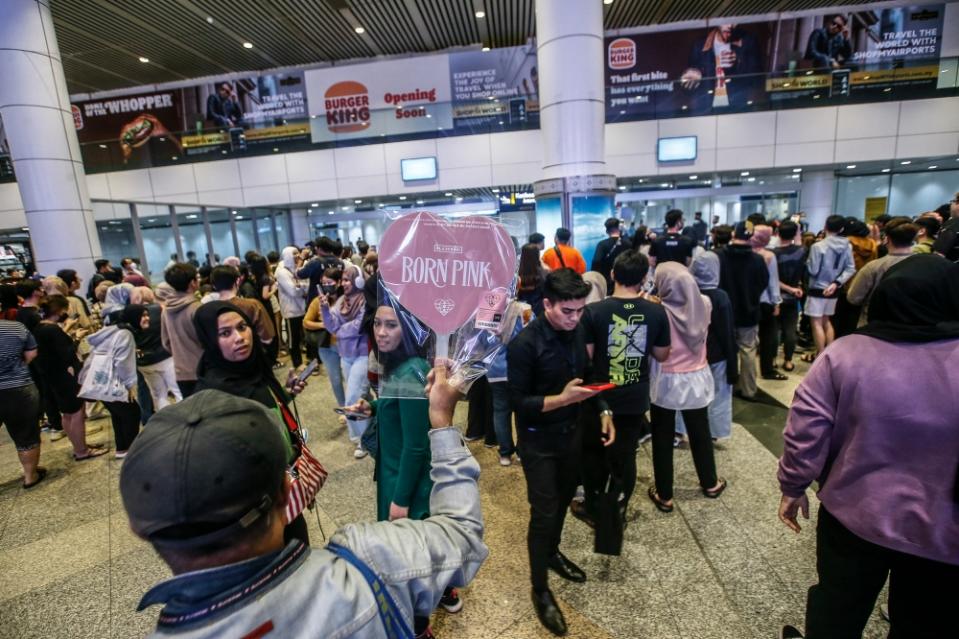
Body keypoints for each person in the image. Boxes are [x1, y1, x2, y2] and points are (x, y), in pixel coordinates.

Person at [120, 351, 487, 639]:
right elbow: (460, 534)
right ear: (286, 489)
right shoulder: (372, 564)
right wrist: (441, 423)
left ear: (138, 529)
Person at [777, 255, 959, 639]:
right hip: (943, 530)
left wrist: (793, 487)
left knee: (839, 604)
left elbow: (805, 430)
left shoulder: (846, 353)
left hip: (854, 512)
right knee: (926, 619)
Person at [347, 295, 464, 635]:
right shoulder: (402, 368)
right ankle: (440, 594)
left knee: (410, 560)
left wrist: (399, 501)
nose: (381, 332)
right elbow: (400, 412)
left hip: (404, 481)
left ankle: (419, 623)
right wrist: (375, 407)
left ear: (410, 330)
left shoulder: (411, 373)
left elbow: (416, 446)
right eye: (378, 323)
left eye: (392, 325)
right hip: (397, 473)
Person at [507, 268, 614, 636]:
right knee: (543, 512)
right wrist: (562, 399)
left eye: (581, 310)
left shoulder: (578, 328)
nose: (575, 318)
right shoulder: (525, 344)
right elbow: (519, 403)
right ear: (547, 304)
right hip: (538, 441)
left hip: (573, 434)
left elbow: (588, 373)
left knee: (566, 498)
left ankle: (552, 552)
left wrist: (602, 410)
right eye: (568, 311)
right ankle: (540, 589)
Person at [192, 301, 317, 546]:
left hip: (284, 489)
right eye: (225, 333)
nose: (240, 338)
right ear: (209, 340)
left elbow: (264, 408)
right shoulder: (213, 394)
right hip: (255, 509)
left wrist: (285, 394)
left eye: (243, 327)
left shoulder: (254, 367)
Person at [575, 250, 670, 528]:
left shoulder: (593, 311)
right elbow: (662, 355)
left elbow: (587, 357)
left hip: (599, 394)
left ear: (613, 274)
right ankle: (618, 507)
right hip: (634, 396)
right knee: (625, 455)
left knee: (593, 454)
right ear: (643, 278)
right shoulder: (656, 310)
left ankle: (593, 508)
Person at [647, 263, 726, 513]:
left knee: (662, 435)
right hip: (697, 376)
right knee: (700, 432)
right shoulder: (704, 303)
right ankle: (710, 483)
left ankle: (664, 494)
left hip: (666, 379)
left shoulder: (657, 310)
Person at [33, 295, 107, 461]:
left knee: (67, 414)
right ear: (59, 311)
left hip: (53, 376)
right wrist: (77, 338)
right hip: (65, 376)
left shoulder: (39, 328)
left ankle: (79, 446)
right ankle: (82, 450)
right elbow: (66, 354)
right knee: (76, 413)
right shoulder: (53, 330)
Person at [676, 252, 738, 441]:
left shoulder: (687, 294)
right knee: (717, 395)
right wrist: (733, 364)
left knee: (685, 395)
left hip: (690, 355)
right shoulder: (720, 297)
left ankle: (680, 429)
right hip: (717, 355)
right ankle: (713, 431)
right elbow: (727, 332)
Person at [321, 263, 370, 459]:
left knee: (352, 398)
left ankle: (361, 440)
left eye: (348, 279)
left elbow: (359, 326)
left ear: (357, 281)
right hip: (346, 356)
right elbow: (331, 325)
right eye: (343, 280)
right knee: (363, 397)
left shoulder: (366, 300)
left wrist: (339, 332)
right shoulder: (341, 301)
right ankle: (372, 425)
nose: (344, 283)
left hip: (363, 354)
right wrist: (325, 309)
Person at [717, 222, 769, 399]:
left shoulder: (719, 256)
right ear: (751, 236)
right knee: (748, 351)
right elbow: (763, 283)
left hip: (723, 313)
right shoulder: (758, 259)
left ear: (733, 234)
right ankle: (748, 389)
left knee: (723, 350)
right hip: (749, 310)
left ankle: (723, 388)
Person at [80, 310, 141, 459]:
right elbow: (123, 363)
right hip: (113, 382)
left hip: (100, 383)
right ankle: (133, 451)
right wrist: (130, 384)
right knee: (132, 413)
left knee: (118, 415)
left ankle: (122, 449)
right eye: (142, 315)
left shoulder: (107, 332)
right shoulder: (125, 334)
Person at [846, 219, 918, 327]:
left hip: (874, 326)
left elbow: (854, 298)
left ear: (886, 239)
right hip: (911, 326)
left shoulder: (873, 267)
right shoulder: (924, 264)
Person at [803, 215, 856, 362]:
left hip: (817, 288)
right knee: (827, 321)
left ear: (825, 226)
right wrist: (836, 283)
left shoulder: (818, 246)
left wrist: (807, 262)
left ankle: (820, 355)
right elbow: (851, 268)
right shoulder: (847, 245)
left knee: (816, 323)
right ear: (841, 229)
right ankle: (830, 354)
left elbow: (813, 270)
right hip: (834, 288)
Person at [0, 318, 45, 488]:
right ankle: (30, 476)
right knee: (26, 434)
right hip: (18, 387)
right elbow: (31, 353)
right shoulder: (15, 327)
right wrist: (17, 367)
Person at [681, 23, 763, 111]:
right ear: (717, 21)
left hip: (737, 109)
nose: (730, 26)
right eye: (725, 21)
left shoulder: (747, 42)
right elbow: (686, 88)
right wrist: (690, 78)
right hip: (706, 109)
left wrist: (738, 62)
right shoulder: (700, 45)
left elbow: (757, 81)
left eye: (734, 21)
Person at [159, 263, 204, 398]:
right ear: (192, 283)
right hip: (203, 370)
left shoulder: (166, 310)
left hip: (181, 372)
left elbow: (166, 342)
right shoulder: (197, 308)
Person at [304, 266, 345, 408]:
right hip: (327, 347)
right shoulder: (318, 301)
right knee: (335, 379)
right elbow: (306, 322)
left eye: (330, 283)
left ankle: (360, 404)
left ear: (339, 282)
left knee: (354, 379)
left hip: (347, 345)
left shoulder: (347, 299)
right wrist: (324, 324)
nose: (326, 286)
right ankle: (343, 407)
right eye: (324, 283)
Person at [751, 225, 786, 380]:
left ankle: (746, 374)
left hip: (746, 301)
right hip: (765, 302)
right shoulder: (769, 256)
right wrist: (776, 302)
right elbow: (773, 282)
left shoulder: (745, 254)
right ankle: (767, 370)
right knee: (767, 337)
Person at [773, 220, 806, 371]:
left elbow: (772, 279)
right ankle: (788, 360)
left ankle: (773, 358)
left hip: (777, 296)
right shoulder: (802, 251)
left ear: (778, 234)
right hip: (794, 296)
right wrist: (794, 289)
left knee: (775, 330)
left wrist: (788, 289)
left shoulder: (773, 254)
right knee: (790, 330)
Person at [275, 247, 308, 369]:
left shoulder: (297, 267)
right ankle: (297, 362)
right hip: (291, 310)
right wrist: (303, 289)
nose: (297, 255)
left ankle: (308, 359)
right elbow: (293, 291)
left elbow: (306, 284)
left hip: (302, 307)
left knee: (303, 336)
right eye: (294, 254)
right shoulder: (281, 271)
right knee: (293, 339)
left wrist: (302, 287)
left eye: (297, 253)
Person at [297, 236, 342, 306]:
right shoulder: (340, 262)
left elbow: (298, 275)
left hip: (318, 300)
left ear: (319, 248)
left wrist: (301, 258)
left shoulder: (315, 263)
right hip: (337, 300)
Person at [590, 218, 632, 291]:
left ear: (607, 231)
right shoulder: (628, 244)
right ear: (619, 228)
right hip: (625, 281)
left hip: (607, 281)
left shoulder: (602, 244)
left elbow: (596, 261)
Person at [517, 243, 546, 316]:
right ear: (537, 255)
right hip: (539, 314)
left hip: (523, 314)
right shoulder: (543, 274)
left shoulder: (516, 276)